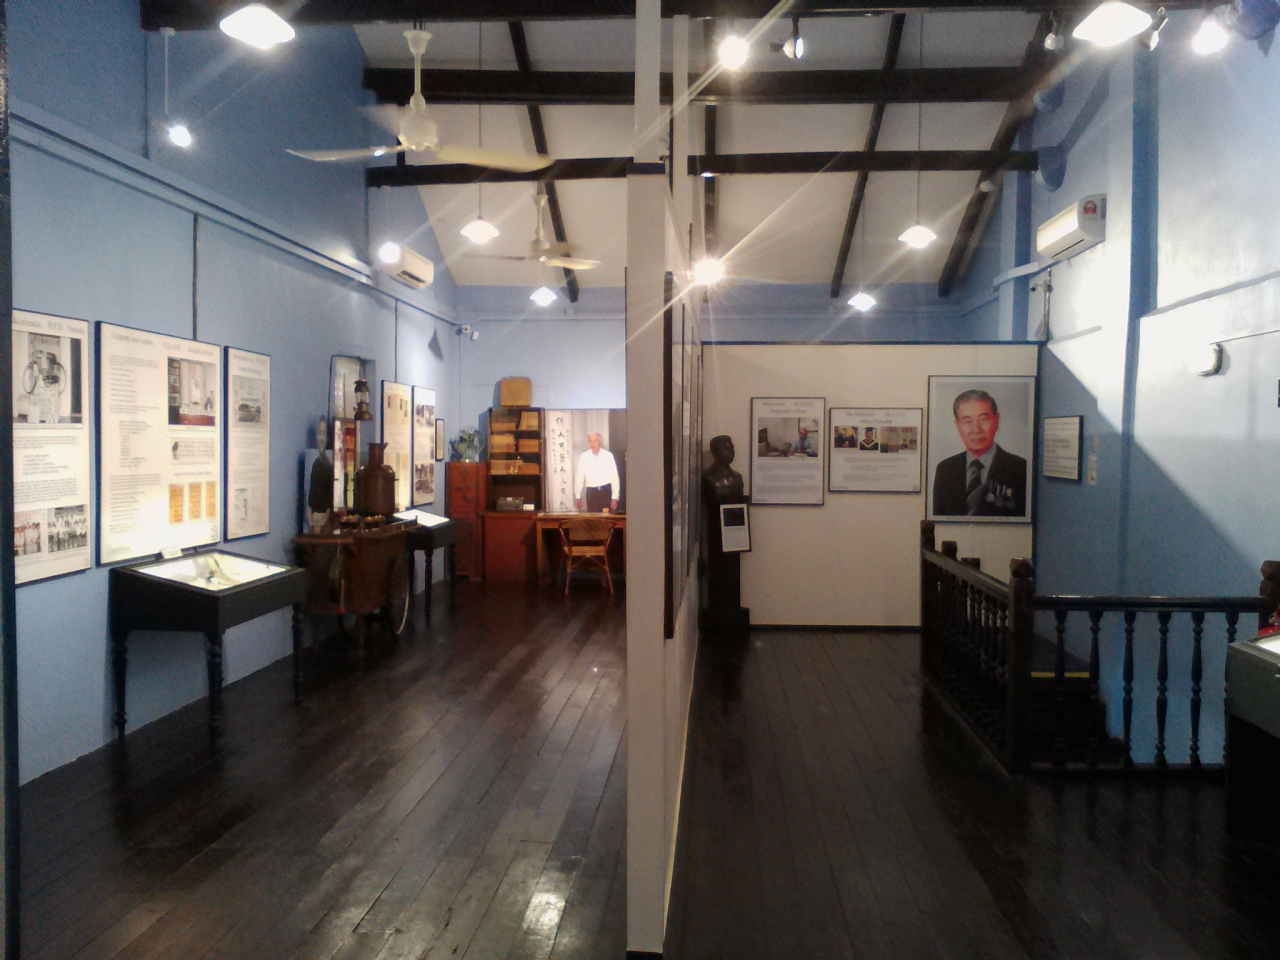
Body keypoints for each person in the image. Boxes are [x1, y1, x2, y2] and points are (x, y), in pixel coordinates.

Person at [932, 389, 1026, 517]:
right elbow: (939, 519)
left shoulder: (1020, 469)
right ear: (957, 425)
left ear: (997, 420)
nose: (976, 429)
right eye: (967, 421)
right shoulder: (945, 469)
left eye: (983, 419)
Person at [575, 431, 620, 513]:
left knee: (607, 518)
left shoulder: (608, 455)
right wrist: (577, 496)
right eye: (590, 441)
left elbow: (614, 477)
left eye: (595, 440)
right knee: (593, 519)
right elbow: (579, 477)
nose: (593, 444)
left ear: (599, 441)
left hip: (606, 491)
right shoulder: (584, 456)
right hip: (591, 493)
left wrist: (614, 497)